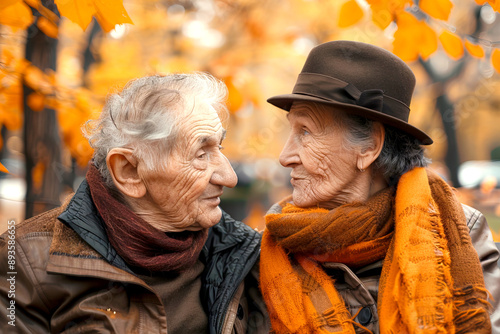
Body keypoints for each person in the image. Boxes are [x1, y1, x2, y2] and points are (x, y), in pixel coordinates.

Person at [260, 41, 500, 333]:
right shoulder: (267, 252)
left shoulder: (460, 235)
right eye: (291, 130)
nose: (285, 157)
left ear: (369, 147)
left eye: (306, 131)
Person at [0, 73, 269, 333]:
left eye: (218, 148)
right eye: (200, 154)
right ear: (128, 172)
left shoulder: (243, 255)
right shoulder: (24, 263)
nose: (229, 177)